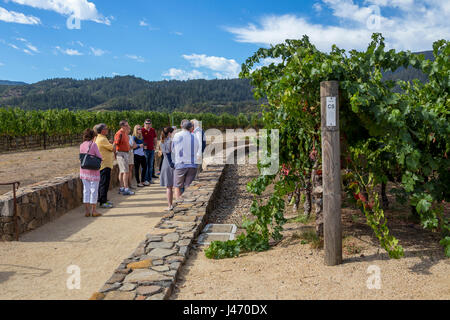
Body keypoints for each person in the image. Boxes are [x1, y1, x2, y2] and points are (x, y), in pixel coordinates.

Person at [172, 119, 200, 200]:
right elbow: (197, 148)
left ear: (182, 127)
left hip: (181, 164)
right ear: (190, 128)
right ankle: (187, 203)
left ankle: (178, 203)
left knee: (177, 186)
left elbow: (173, 149)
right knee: (188, 186)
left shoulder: (177, 135)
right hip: (192, 164)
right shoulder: (194, 136)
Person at [80, 128, 102, 217]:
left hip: (84, 171)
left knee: (86, 190)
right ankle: (94, 211)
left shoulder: (81, 145)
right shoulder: (93, 145)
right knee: (94, 191)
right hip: (93, 172)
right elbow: (99, 157)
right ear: (93, 136)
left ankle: (86, 211)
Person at [95, 123, 114, 209]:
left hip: (104, 164)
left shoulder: (101, 138)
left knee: (103, 183)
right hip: (104, 164)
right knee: (104, 183)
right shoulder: (102, 139)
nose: (107, 129)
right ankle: (103, 202)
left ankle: (103, 199)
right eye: (106, 128)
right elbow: (113, 148)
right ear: (102, 130)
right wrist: (115, 143)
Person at [114, 120, 135, 196]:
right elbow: (116, 144)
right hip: (122, 153)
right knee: (126, 171)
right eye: (126, 125)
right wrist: (115, 154)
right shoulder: (119, 134)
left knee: (122, 171)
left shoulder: (124, 133)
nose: (128, 126)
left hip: (125, 153)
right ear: (122, 126)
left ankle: (122, 187)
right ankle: (126, 188)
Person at [160, 127, 176, 210]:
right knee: (174, 186)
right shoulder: (171, 141)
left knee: (169, 186)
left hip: (165, 163)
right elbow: (170, 153)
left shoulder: (162, 141)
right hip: (171, 163)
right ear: (169, 133)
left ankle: (170, 205)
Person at [142, 119, 157, 185]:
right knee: (145, 165)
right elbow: (140, 138)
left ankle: (150, 179)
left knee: (150, 165)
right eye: (147, 123)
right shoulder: (142, 130)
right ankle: (145, 179)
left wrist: (155, 146)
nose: (148, 124)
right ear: (144, 124)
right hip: (145, 150)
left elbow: (155, 138)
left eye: (149, 123)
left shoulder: (152, 130)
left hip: (151, 149)